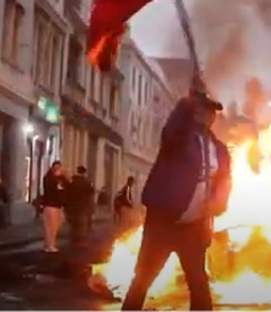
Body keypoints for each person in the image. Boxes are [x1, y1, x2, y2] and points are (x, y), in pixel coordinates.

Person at [121, 91, 232, 311]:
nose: (210, 115)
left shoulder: (218, 148)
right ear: (193, 112)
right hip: (163, 223)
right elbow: (170, 130)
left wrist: (218, 203)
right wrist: (187, 103)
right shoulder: (179, 137)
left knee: (199, 282)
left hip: (194, 225)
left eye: (212, 111)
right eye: (203, 109)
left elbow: (225, 180)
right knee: (143, 278)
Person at [42, 161, 69, 253]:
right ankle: (51, 245)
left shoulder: (48, 178)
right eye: (59, 168)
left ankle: (48, 245)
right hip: (54, 206)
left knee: (49, 227)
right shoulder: (54, 179)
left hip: (48, 205)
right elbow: (59, 191)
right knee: (53, 227)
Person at [66, 166, 95, 246]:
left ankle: (72, 238)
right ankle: (80, 241)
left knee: (73, 223)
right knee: (81, 224)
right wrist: (91, 207)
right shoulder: (87, 182)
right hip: (83, 206)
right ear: (84, 173)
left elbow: (67, 193)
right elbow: (91, 194)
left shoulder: (72, 181)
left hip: (72, 206)